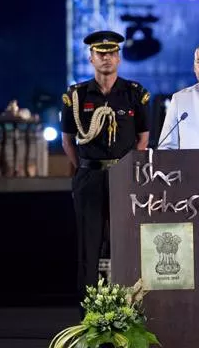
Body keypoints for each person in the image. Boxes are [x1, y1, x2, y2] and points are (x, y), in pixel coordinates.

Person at [60, 30, 151, 315]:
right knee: (89, 246)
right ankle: (90, 315)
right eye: (101, 54)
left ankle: (128, 310)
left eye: (111, 53)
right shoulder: (75, 96)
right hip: (90, 177)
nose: (106, 58)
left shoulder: (135, 94)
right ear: (91, 58)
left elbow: (143, 139)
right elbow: (68, 141)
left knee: (126, 243)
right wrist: (86, 168)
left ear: (119, 58)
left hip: (124, 177)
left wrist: (126, 170)